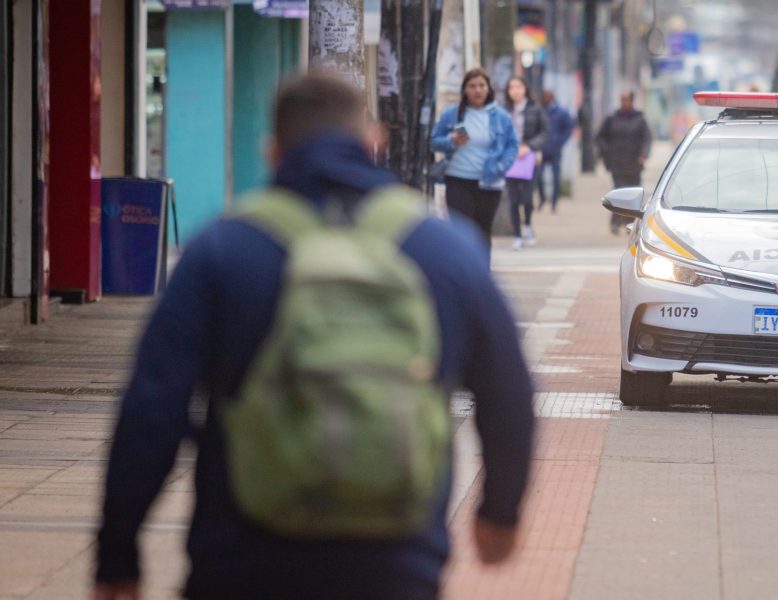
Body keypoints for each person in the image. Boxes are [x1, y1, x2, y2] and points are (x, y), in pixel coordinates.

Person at [93, 73, 535, 600]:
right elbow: (508, 390)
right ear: (374, 141)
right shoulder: (445, 250)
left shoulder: (223, 251)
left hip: (242, 559)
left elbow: (152, 406)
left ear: (274, 152)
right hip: (397, 563)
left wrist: (118, 552)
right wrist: (499, 512)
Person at [431, 68, 519, 262]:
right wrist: (451, 140)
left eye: (481, 86)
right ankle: (462, 275)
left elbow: (513, 145)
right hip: (457, 180)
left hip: (489, 181)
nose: (477, 90)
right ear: (464, 90)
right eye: (472, 86)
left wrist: (503, 167)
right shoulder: (451, 115)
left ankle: (482, 275)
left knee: (481, 231)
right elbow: (434, 141)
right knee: (460, 232)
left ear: (489, 89)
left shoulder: (501, 117)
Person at [595, 91, 652, 234]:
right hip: (617, 163)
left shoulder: (639, 120)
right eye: (622, 99)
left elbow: (647, 138)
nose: (624, 102)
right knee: (619, 192)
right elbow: (600, 137)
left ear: (632, 101)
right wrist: (606, 151)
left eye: (626, 100)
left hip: (634, 164)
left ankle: (630, 222)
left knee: (633, 195)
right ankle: (615, 222)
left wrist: (643, 154)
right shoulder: (612, 119)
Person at [503, 77, 547, 250]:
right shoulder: (503, 111)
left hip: (530, 158)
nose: (515, 91)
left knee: (527, 198)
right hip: (510, 158)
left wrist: (531, 147)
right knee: (513, 200)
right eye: (511, 87)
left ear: (525, 89)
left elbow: (544, 132)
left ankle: (528, 224)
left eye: (518, 87)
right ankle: (517, 235)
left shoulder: (535, 110)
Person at [537, 90, 575, 213]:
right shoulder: (539, 111)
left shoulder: (561, 112)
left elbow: (568, 128)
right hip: (541, 150)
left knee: (555, 178)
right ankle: (542, 199)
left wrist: (560, 141)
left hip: (555, 150)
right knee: (538, 176)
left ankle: (554, 203)